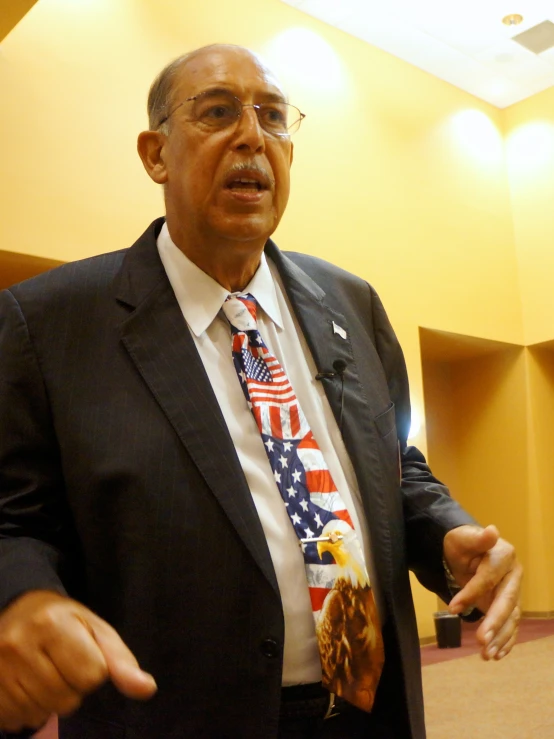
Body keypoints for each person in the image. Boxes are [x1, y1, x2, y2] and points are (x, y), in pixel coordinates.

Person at [0, 44, 521, 739]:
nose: (252, 136)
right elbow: (14, 520)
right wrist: (24, 596)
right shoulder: (48, 323)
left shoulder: (352, 303)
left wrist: (447, 532)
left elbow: (396, 466)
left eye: (273, 117)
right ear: (156, 154)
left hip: (373, 710)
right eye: (217, 112)